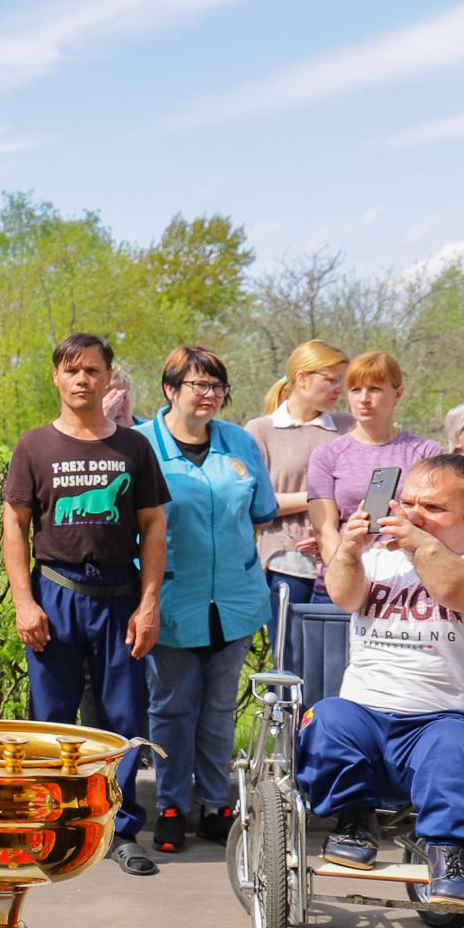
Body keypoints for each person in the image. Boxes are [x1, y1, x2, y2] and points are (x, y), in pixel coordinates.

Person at [298, 454, 464, 910]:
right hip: (364, 715)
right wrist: (349, 549)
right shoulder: (378, 557)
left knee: (458, 743)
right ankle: (355, 823)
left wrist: (417, 542)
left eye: (433, 508)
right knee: (326, 716)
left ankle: (450, 856)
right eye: (408, 502)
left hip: (443, 720)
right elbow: (343, 595)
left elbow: (453, 590)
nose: (413, 514)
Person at [3, 333, 168, 876]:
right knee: (50, 718)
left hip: (120, 595)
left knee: (122, 718)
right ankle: (50, 826)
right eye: (72, 370)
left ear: (108, 378)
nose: (82, 379)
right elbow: (14, 526)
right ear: (57, 376)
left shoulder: (134, 447)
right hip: (56, 592)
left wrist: (149, 604)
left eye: (92, 370)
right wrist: (24, 602)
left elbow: (154, 526)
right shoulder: (34, 446)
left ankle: (120, 830)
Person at [137, 348, 276, 853]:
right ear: (171, 389)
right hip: (172, 598)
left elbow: (262, 511)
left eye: (217, 386)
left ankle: (217, 805)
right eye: (199, 384)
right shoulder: (141, 444)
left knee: (218, 709)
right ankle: (172, 806)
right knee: (172, 707)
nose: (211, 394)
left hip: (235, 600)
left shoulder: (239, 441)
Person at [247, 339, 352, 658]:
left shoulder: (348, 427)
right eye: (331, 379)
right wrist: (319, 498)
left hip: (343, 562)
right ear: (302, 378)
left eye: (342, 380)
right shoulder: (261, 430)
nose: (339, 388)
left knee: (337, 662)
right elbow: (258, 504)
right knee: (290, 661)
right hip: (287, 563)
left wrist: (333, 534)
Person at [307, 352, 441, 593]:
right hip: (345, 583)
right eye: (355, 390)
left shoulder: (427, 452)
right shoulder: (327, 454)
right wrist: (346, 576)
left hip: (408, 582)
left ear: (397, 393)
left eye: (375, 389)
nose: (364, 399)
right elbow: (324, 529)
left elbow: (435, 523)